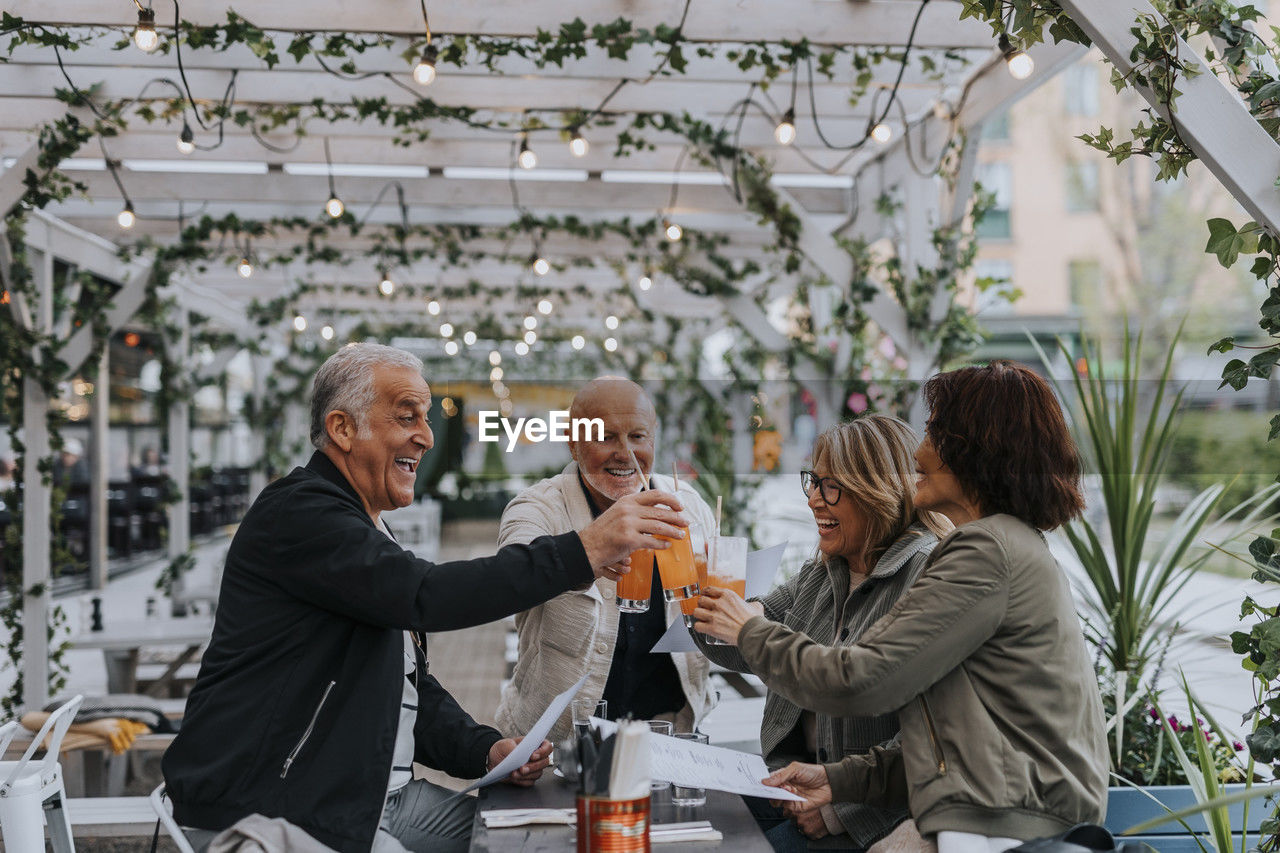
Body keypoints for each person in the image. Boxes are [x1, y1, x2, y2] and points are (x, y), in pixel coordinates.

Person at [163, 344, 691, 853]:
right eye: (406, 416)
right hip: (277, 804)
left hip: (371, 795)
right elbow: (428, 595)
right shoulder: (300, 514)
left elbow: (404, 683)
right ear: (342, 429)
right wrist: (586, 547)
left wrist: (483, 748)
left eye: (425, 416)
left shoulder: (365, 525)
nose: (425, 436)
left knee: (533, 840)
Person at [695, 361, 1108, 851]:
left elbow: (860, 680)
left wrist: (749, 628)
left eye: (933, 432)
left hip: (1007, 825)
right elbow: (948, 742)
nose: (919, 450)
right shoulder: (1003, 545)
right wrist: (841, 780)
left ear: (972, 448)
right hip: (1003, 814)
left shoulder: (985, 551)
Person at [696, 415, 950, 853]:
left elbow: (933, 736)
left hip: (871, 817)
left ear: (877, 491)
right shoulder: (826, 571)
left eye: (831, 486)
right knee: (691, 813)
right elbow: (748, 644)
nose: (814, 499)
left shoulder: (928, 573)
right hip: (794, 785)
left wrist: (838, 812)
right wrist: (694, 594)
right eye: (813, 482)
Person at [494, 377, 716, 742]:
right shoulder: (538, 509)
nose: (625, 453)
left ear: (654, 439)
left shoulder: (688, 506)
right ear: (572, 442)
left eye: (638, 437)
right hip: (550, 745)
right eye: (605, 437)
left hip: (668, 738)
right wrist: (588, 548)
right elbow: (510, 576)